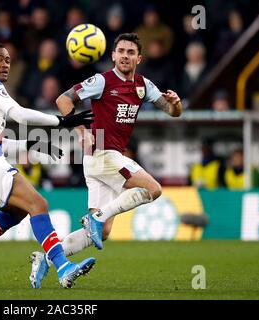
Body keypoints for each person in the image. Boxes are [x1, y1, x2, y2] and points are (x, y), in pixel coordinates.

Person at [29, 33, 183, 288]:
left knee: (105, 232)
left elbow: (172, 112)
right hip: (102, 154)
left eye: (130, 52)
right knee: (153, 189)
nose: (125, 56)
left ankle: (46, 258)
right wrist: (81, 131)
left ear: (139, 58)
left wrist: (176, 104)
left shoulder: (144, 86)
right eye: (121, 51)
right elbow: (63, 99)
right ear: (113, 55)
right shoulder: (102, 81)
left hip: (103, 160)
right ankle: (97, 218)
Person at [0, 42, 96, 289]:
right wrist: (62, 121)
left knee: (16, 212)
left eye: (7, 60)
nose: (5, 64)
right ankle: (63, 267)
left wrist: (31, 145)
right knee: (38, 204)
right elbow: (19, 114)